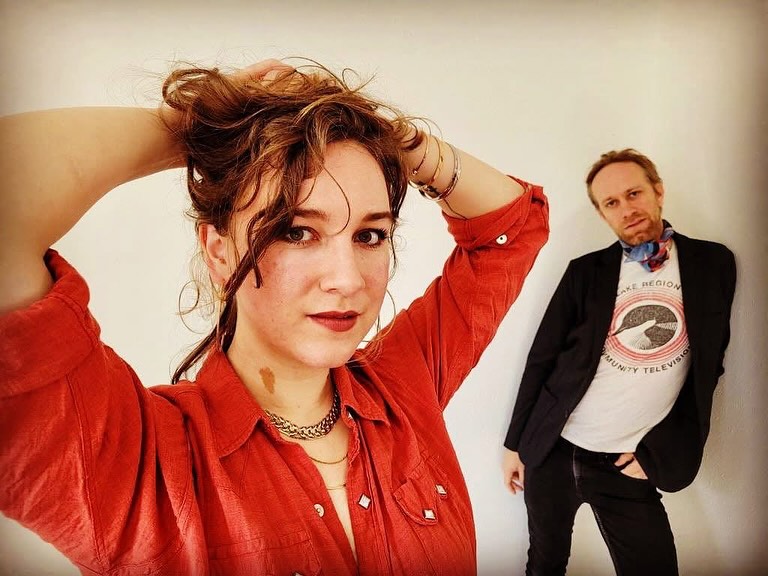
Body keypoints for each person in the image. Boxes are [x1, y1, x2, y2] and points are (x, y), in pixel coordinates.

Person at [0, 59, 549, 575]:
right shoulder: (137, 469)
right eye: (296, 231)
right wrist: (204, 125)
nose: (347, 279)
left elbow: (514, 225)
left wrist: (381, 135)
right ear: (219, 252)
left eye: (369, 235)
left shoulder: (405, 384)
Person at [501, 148, 736, 576]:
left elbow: (708, 368)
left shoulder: (712, 263)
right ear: (602, 213)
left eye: (634, 193)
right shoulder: (585, 272)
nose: (626, 209)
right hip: (554, 448)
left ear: (658, 191)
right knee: (544, 565)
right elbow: (542, 359)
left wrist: (659, 451)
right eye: (611, 202)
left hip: (627, 460)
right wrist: (515, 444)